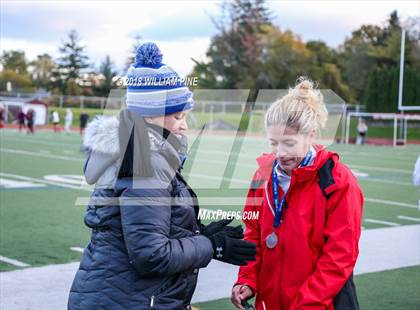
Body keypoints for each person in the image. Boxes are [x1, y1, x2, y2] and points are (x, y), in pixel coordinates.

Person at [68, 43, 256, 310]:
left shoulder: (141, 152)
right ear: (152, 117)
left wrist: (196, 232)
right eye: (178, 116)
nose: (185, 125)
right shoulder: (146, 160)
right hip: (127, 300)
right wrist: (210, 246)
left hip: (119, 296)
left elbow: (145, 227)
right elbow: (151, 255)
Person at [231, 78, 364, 310]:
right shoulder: (262, 176)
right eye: (274, 143)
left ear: (311, 135)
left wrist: (305, 305)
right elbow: (253, 235)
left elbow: (338, 259)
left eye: (289, 143)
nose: (280, 153)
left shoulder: (338, 182)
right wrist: (247, 279)